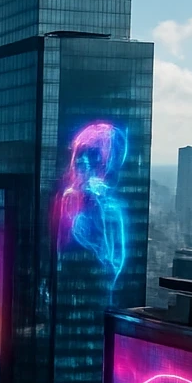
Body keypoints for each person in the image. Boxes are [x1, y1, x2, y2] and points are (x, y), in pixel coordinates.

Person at [56, 122, 127, 288]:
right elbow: (59, 249)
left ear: (107, 160)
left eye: (92, 154)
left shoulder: (109, 208)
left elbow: (113, 262)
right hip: (66, 285)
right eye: (80, 153)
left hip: (93, 288)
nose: (83, 161)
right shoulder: (68, 198)